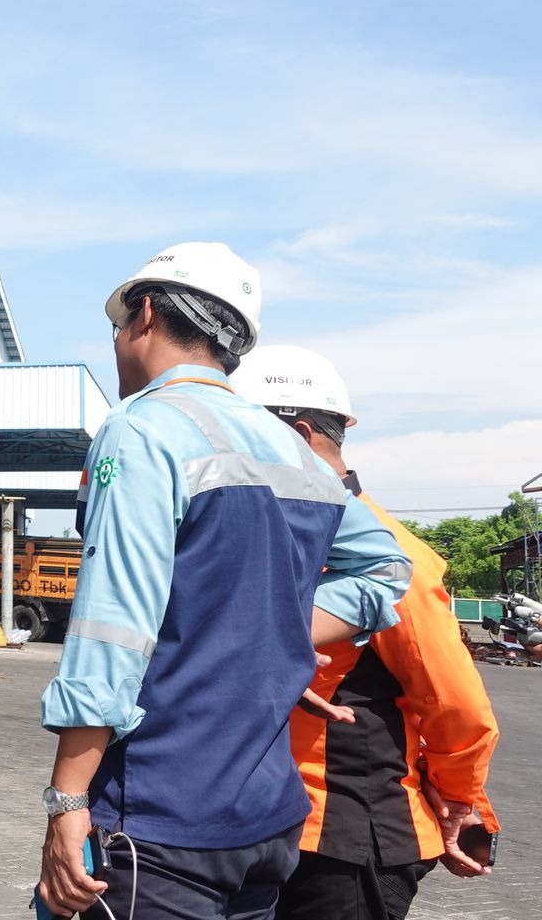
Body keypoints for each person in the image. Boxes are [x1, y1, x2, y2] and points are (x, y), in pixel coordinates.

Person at [36, 243, 411, 920]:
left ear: (144, 314)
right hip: (266, 822)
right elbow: (387, 566)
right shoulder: (290, 449)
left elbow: (110, 631)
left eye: (119, 326)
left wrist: (67, 799)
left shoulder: (141, 429)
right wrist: (275, 633)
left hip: (159, 820)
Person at [235, 345, 499, 920]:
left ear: (299, 438)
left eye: (242, 438)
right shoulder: (274, 538)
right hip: (265, 824)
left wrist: (460, 800)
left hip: (346, 838)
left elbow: (454, 700)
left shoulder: (388, 553)